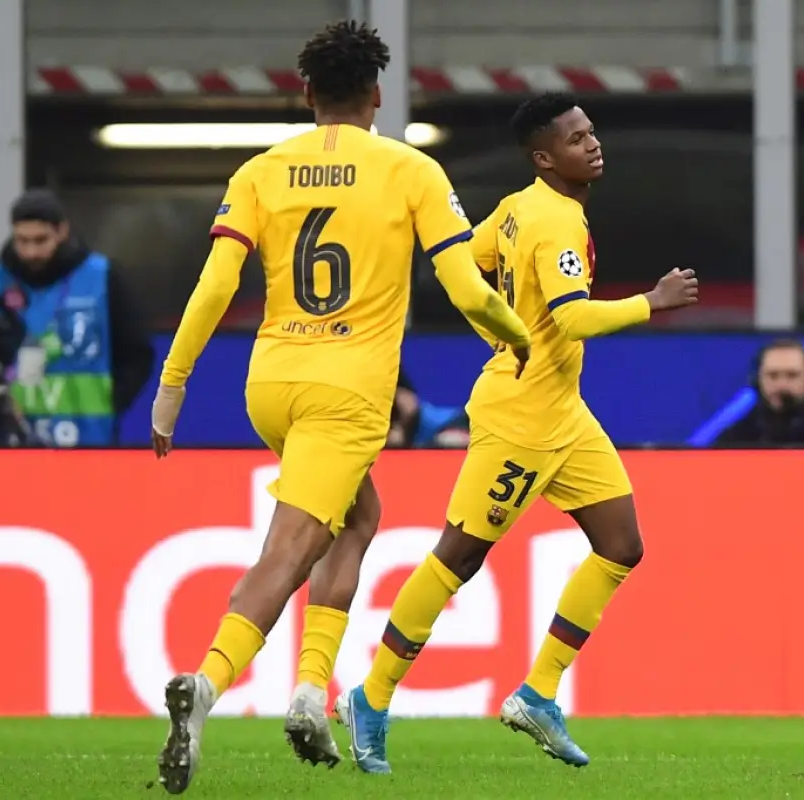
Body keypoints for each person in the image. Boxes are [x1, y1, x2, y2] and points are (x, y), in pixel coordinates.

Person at [147, 20, 531, 794]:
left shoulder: (261, 170)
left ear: (306, 92)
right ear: (379, 96)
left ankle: (309, 695)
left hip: (271, 380)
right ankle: (207, 686)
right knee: (289, 549)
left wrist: (174, 382)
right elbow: (465, 289)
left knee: (358, 519)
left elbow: (216, 285)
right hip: (348, 390)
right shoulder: (410, 169)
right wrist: (518, 337)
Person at [335, 92, 699, 774]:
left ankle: (538, 693)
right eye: (575, 138)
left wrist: (502, 330)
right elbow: (570, 319)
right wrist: (652, 302)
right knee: (457, 560)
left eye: (592, 131)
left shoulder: (516, 205)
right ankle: (371, 697)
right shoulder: (554, 222)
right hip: (521, 421)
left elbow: (462, 267)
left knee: (621, 546)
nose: (593, 144)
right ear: (544, 157)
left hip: (563, 408)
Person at [0, 189, 153, 446]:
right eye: (22, 240)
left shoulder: (103, 278)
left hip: (90, 436)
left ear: (62, 232)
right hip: (14, 436)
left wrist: (114, 399)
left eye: (41, 240)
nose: (31, 251)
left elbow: (136, 351)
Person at [714, 339, 804, 448]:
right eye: (773, 375)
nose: (782, 385)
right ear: (757, 380)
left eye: (792, 375)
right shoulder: (731, 442)